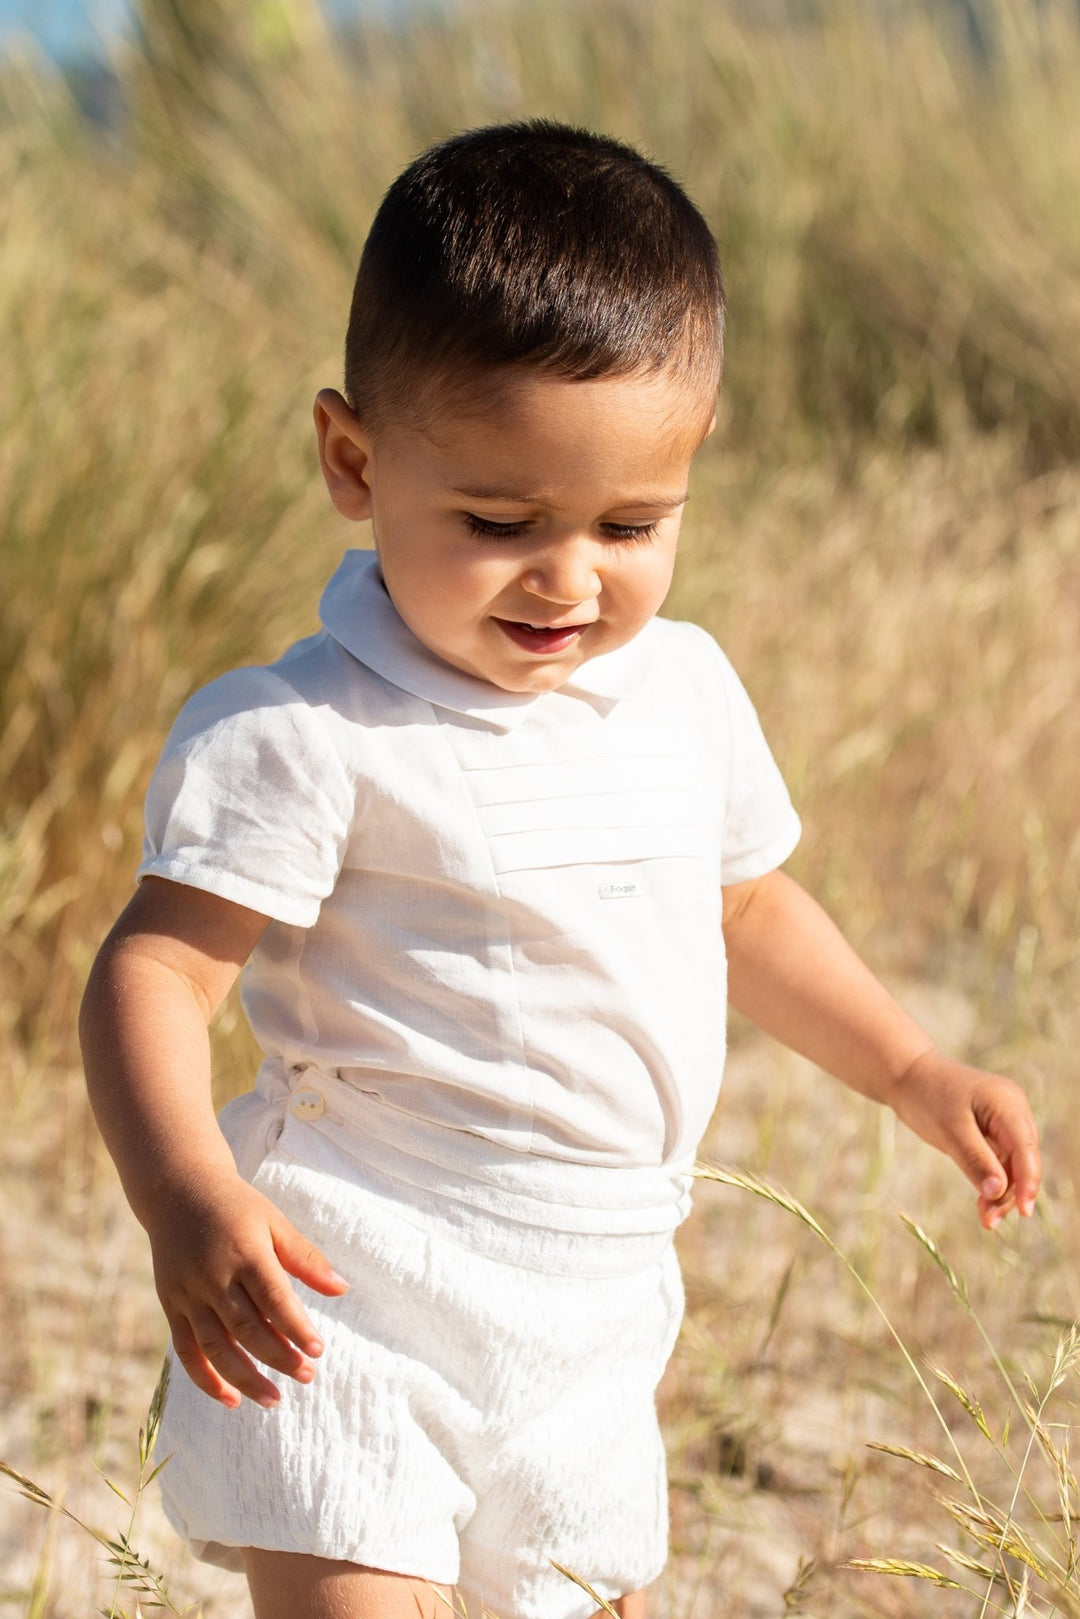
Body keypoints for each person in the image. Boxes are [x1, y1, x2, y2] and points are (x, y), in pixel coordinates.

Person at [80, 120, 1041, 1619]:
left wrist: (916, 1069)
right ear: (353, 460)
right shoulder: (310, 731)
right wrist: (181, 1189)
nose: (571, 576)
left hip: (596, 1307)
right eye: (497, 522)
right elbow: (153, 967)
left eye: (631, 523)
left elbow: (745, 908)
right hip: (351, 1283)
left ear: (691, 468)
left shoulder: (685, 694)